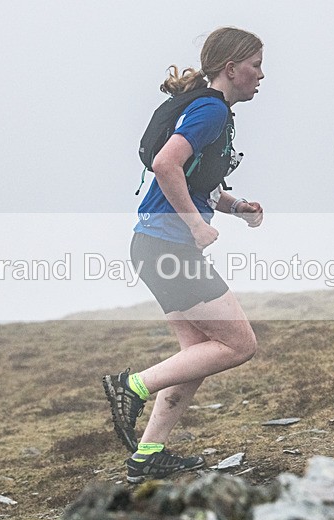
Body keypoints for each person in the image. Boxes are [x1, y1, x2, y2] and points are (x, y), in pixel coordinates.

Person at [103, 26, 265, 484]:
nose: (261, 74)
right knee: (238, 344)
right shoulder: (211, 111)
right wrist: (196, 224)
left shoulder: (216, 113)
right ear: (231, 69)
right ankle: (130, 386)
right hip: (168, 245)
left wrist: (234, 206)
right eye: (255, 64)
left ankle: (148, 454)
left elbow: (195, 178)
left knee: (196, 353)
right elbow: (165, 164)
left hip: (155, 244)